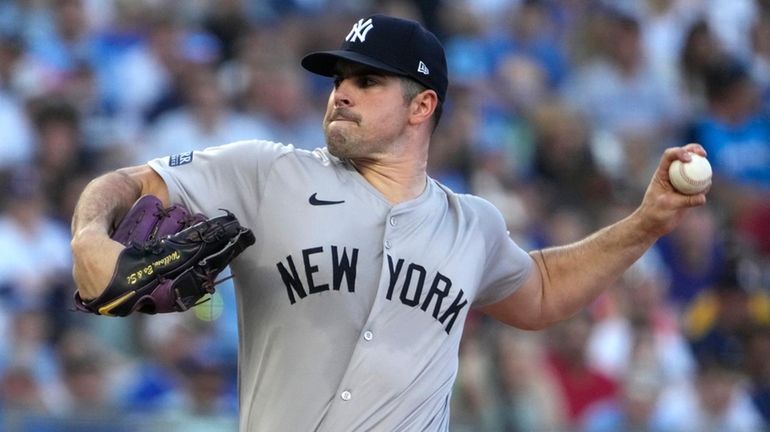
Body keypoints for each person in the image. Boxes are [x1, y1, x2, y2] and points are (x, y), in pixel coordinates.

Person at [70, 14, 709, 431]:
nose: (340, 91)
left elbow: (539, 293)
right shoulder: (266, 173)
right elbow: (129, 183)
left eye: (367, 80)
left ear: (421, 105)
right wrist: (90, 237)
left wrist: (647, 223)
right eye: (338, 78)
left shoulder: (472, 226)